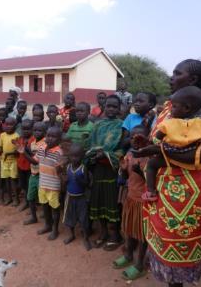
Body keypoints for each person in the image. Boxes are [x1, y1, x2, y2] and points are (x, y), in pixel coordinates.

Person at [140, 59, 201, 287]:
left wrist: (159, 150)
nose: (170, 77)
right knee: (164, 242)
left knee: (178, 256)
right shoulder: (174, 105)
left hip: (184, 193)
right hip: (165, 186)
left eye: (177, 73)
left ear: (192, 79)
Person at [143, 86, 201, 201]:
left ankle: (151, 191)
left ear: (186, 108)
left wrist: (154, 143)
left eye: (174, 106)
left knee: (151, 164)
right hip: (195, 160)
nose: (171, 109)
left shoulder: (169, 123)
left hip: (172, 157)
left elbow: (156, 139)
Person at [86, 94, 124, 250]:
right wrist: (93, 155)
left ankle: (116, 236)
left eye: (115, 106)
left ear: (120, 108)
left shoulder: (121, 125)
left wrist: (108, 155)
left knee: (111, 202)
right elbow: (90, 145)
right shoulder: (97, 125)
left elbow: (122, 148)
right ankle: (103, 233)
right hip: (97, 169)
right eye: (109, 106)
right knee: (98, 201)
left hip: (112, 170)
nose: (111, 109)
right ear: (103, 107)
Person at [113, 125, 149, 281]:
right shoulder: (129, 154)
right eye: (133, 136)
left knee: (142, 234)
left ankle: (140, 264)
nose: (135, 139)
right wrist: (122, 168)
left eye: (139, 136)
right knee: (128, 228)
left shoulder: (150, 157)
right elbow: (125, 175)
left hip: (144, 202)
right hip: (130, 198)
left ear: (147, 139)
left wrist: (140, 171)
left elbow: (153, 181)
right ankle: (128, 255)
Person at [62, 143, 92, 251]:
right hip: (70, 197)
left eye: (77, 156)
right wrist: (64, 181)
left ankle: (86, 238)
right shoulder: (68, 167)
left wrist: (81, 181)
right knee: (70, 217)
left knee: (84, 219)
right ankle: (71, 234)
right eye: (72, 156)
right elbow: (65, 183)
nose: (74, 158)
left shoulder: (84, 168)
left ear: (82, 156)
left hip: (81, 198)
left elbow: (88, 184)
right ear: (69, 156)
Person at [36, 126, 63, 240]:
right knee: (45, 206)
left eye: (53, 137)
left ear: (59, 139)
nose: (50, 138)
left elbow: (61, 170)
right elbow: (35, 161)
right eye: (48, 135)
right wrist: (24, 153)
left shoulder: (59, 152)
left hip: (53, 186)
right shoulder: (41, 148)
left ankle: (55, 229)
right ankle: (48, 225)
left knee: (55, 208)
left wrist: (60, 168)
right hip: (43, 183)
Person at [23, 121, 47, 225]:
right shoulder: (33, 143)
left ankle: (47, 220)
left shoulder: (45, 143)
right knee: (30, 197)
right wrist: (24, 148)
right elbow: (31, 153)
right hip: (33, 174)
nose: (37, 132)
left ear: (45, 132)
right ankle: (34, 217)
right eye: (35, 130)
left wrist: (22, 152)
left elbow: (35, 161)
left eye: (40, 130)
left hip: (42, 175)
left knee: (43, 199)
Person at [0, 117, 19, 205]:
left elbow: (18, 151)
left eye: (11, 125)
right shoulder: (2, 135)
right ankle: (9, 198)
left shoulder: (17, 136)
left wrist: (9, 153)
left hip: (13, 162)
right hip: (4, 162)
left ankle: (16, 199)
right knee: (6, 180)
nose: (8, 126)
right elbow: (0, 148)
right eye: (7, 124)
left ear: (15, 126)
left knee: (13, 181)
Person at [16, 119, 34, 209]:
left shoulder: (33, 140)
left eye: (28, 129)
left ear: (32, 129)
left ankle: (31, 203)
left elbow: (33, 154)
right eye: (23, 129)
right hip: (21, 165)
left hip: (30, 167)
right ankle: (27, 202)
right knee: (23, 184)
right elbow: (18, 151)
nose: (25, 131)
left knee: (29, 185)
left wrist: (25, 149)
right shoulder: (20, 138)